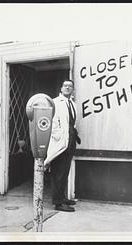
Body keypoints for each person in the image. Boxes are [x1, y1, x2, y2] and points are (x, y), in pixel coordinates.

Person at [44, 79, 81, 212]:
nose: (67, 88)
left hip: (70, 141)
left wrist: (74, 135)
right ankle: (58, 203)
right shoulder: (55, 102)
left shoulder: (72, 104)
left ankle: (62, 197)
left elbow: (73, 122)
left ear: (72, 89)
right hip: (60, 141)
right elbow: (53, 121)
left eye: (70, 86)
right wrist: (58, 136)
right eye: (65, 86)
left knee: (64, 172)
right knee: (58, 172)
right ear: (61, 88)